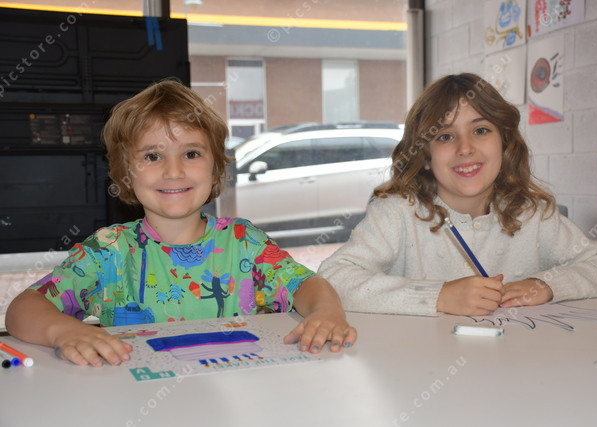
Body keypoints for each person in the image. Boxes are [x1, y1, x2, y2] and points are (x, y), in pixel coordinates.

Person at [6, 79, 356, 367]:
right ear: (126, 173)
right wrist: (64, 332)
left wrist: (326, 311)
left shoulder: (243, 242)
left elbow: (306, 284)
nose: (173, 171)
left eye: (191, 153)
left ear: (216, 168)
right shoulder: (108, 252)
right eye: (152, 156)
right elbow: (23, 309)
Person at [318, 73, 597, 317]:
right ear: (425, 155)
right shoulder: (397, 212)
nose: (465, 148)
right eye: (445, 136)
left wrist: (545, 285)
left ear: (504, 142)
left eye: (480, 130)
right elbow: (334, 278)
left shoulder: (531, 213)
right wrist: (437, 296)